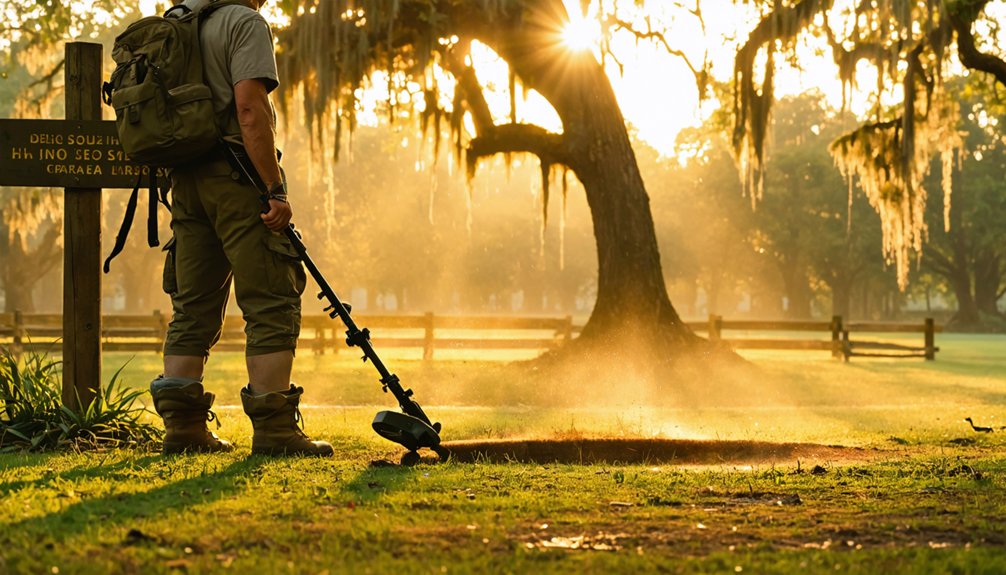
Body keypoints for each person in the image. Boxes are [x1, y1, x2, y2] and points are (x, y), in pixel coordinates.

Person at [149, 0, 333, 457]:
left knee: (191, 305)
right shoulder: (243, 23)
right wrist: (273, 187)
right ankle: (275, 432)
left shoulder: (176, 22)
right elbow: (249, 108)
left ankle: (183, 429)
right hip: (236, 177)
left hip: (185, 181)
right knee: (271, 297)